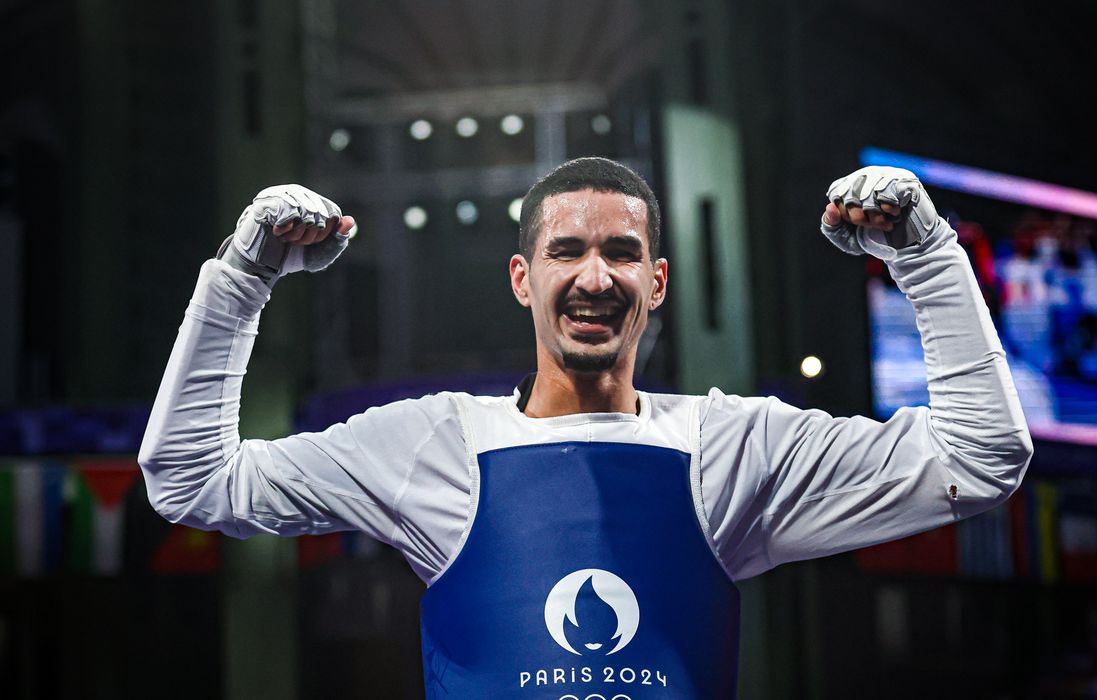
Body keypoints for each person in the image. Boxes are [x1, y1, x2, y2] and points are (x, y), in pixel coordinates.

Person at [139, 157, 1032, 699]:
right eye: (568, 251)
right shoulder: (433, 444)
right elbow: (189, 478)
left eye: (622, 253)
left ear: (659, 282)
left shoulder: (732, 447)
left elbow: (982, 459)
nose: (595, 276)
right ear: (524, 279)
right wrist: (242, 276)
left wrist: (924, 255)